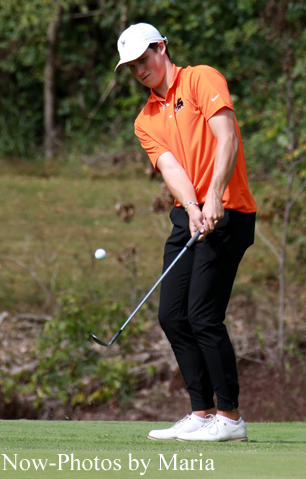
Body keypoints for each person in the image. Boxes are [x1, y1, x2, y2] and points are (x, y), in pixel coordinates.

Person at [114, 23, 256, 442]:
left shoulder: (201, 79)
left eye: (144, 59)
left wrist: (213, 197)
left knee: (203, 315)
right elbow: (171, 168)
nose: (140, 70)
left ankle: (230, 418)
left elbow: (227, 138)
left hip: (229, 210)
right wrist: (193, 207)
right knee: (172, 315)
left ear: (162, 47)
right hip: (190, 214)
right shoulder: (145, 119)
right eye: (132, 67)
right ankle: (202, 412)